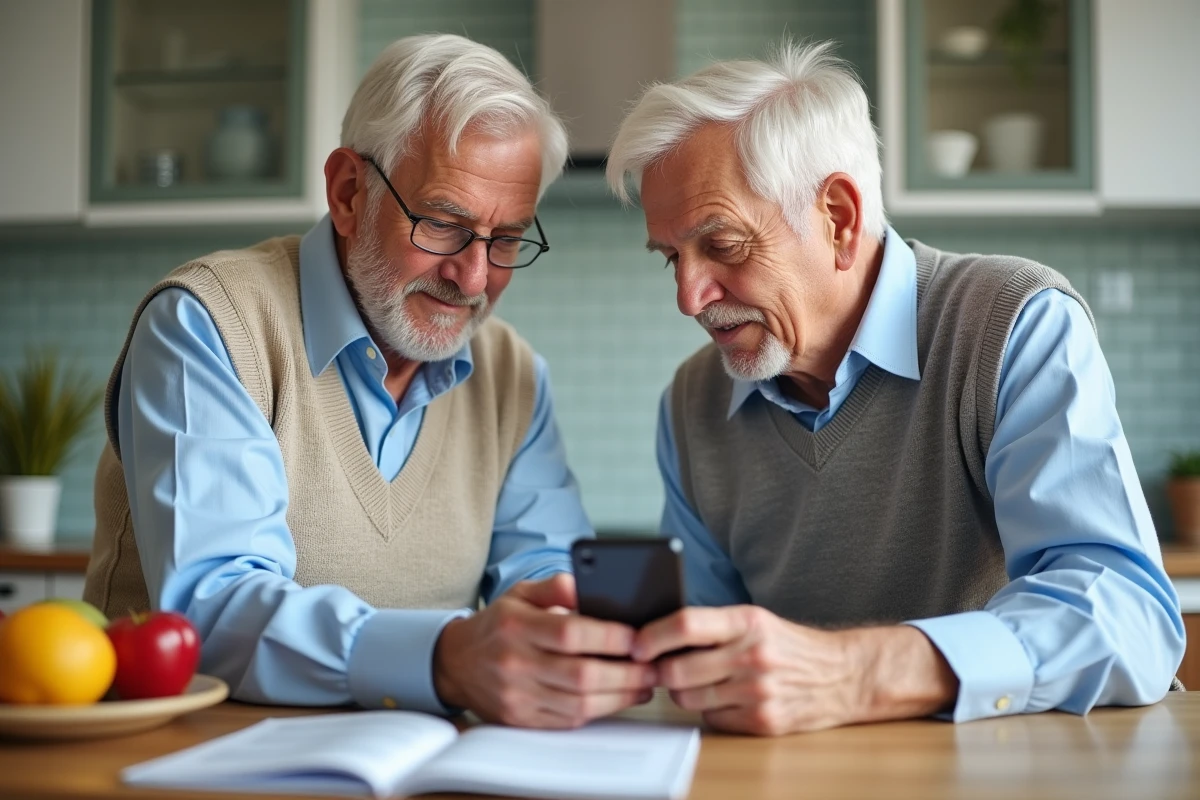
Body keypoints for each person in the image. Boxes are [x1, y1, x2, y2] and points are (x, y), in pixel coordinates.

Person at [605, 40, 1185, 735]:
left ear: (838, 218)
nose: (688, 297)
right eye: (671, 257)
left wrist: (856, 673)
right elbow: (705, 656)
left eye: (722, 246)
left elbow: (1129, 616)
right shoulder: (693, 403)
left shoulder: (1012, 324)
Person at [84, 34, 656, 727]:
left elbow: (545, 570)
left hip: (407, 757)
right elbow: (216, 606)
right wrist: (445, 658)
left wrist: (573, 634)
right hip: (174, 753)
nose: (474, 278)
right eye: (442, 224)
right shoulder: (210, 324)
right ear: (349, 193)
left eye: (506, 239)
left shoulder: (513, 377)